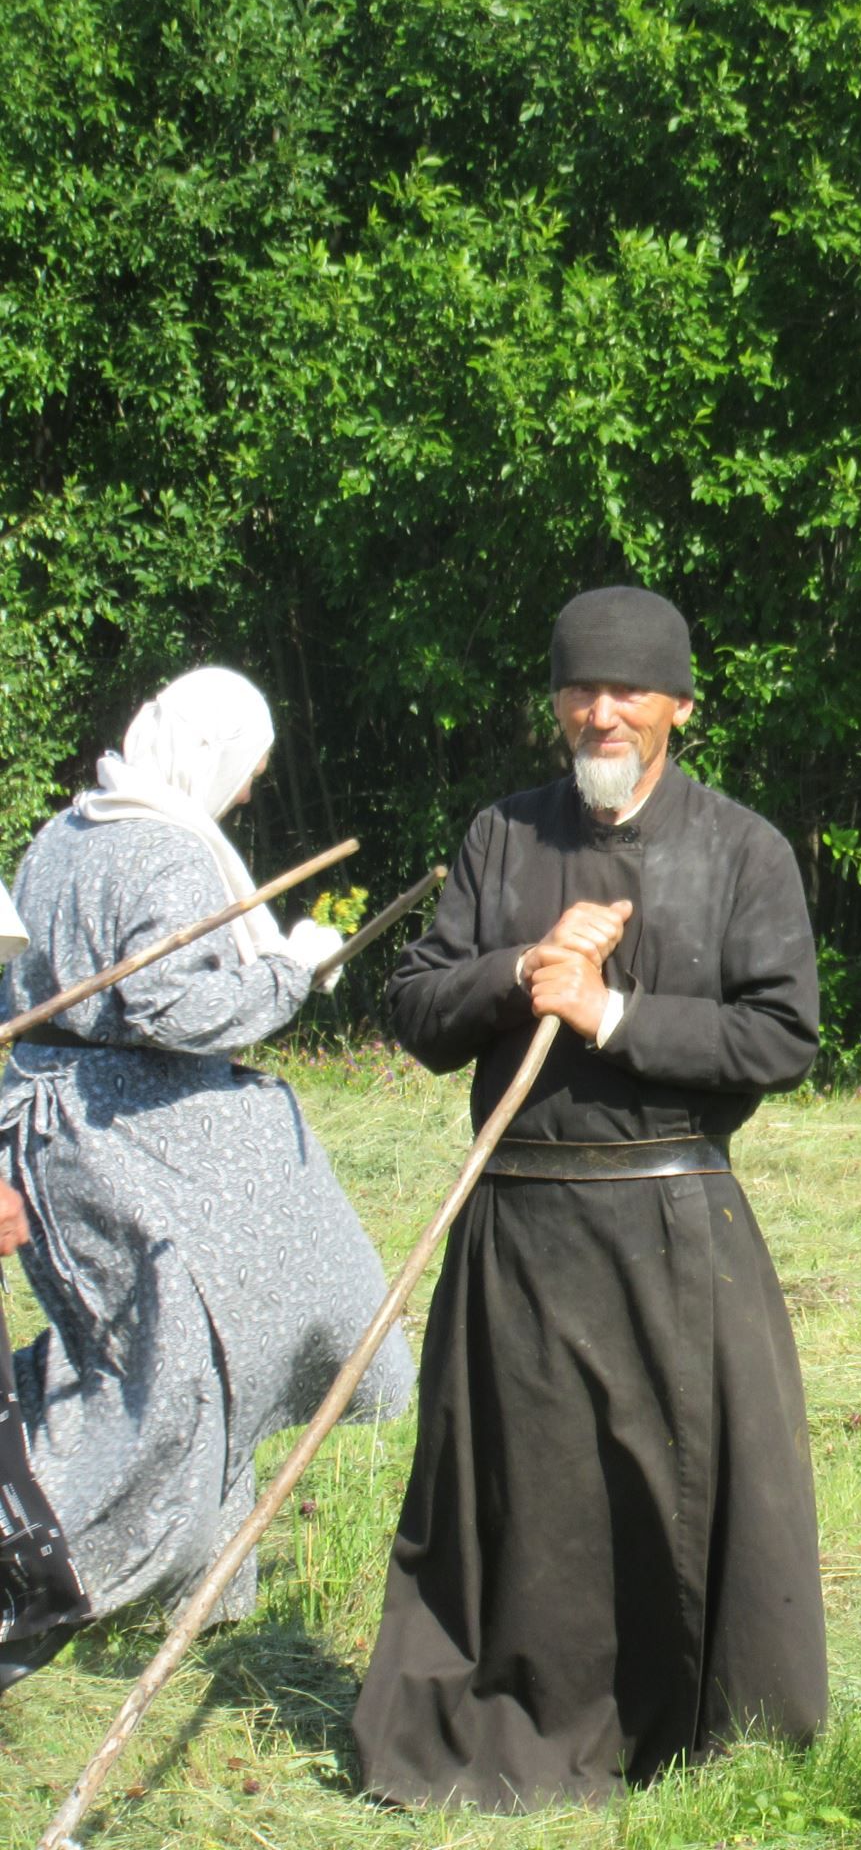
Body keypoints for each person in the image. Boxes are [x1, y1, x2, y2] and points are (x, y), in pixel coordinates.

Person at [353, 585, 825, 1810]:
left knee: (672, 1497)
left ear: (680, 706)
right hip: (515, 1225)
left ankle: (684, 1737)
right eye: (579, 689)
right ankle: (507, 1734)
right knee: (521, 1505)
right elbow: (417, 1010)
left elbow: (781, 1038)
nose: (601, 712)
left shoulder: (743, 850)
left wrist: (609, 1013)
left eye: (629, 691)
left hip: (673, 1230)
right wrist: (522, 968)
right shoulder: (501, 837)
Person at [0, 668, 413, 1684]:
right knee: (181, 1362)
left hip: (51, 1122)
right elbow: (171, 1007)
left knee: (176, 1348)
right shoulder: (165, 849)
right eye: (249, 769)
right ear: (211, 752)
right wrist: (292, 975)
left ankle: (203, 1582)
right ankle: (49, 1565)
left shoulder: (69, 830)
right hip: (119, 1141)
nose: (247, 790)